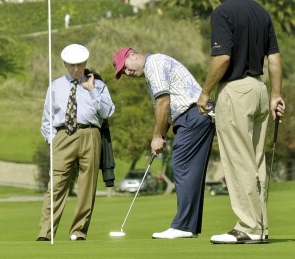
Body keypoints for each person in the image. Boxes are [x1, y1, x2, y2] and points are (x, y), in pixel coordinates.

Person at [196, 0, 285, 245]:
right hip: (260, 90)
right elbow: (274, 57)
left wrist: (205, 92)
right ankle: (260, 226)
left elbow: (222, 58)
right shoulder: (260, 10)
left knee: (238, 161)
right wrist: (275, 95)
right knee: (256, 162)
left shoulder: (223, 12)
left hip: (235, 91)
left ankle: (247, 226)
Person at [112, 48, 215, 239]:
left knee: (182, 166)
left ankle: (183, 226)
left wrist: (157, 136)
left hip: (192, 116)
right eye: (123, 73)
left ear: (132, 55)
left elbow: (163, 103)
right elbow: (165, 108)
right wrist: (162, 134)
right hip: (192, 118)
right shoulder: (151, 73)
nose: (127, 73)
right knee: (188, 170)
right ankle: (188, 227)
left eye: (125, 68)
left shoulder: (154, 65)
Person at [36, 44, 115, 242]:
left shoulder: (97, 84)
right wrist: (53, 140)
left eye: (79, 65)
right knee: (56, 185)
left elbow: (107, 113)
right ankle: (46, 233)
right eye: (71, 65)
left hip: (91, 134)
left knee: (87, 186)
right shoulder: (55, 85)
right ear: (65, 64)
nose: (76, 69)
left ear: (85, 63)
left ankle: (78, 231)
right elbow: (47, 119)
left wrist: (92, 90)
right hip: (63, 136)